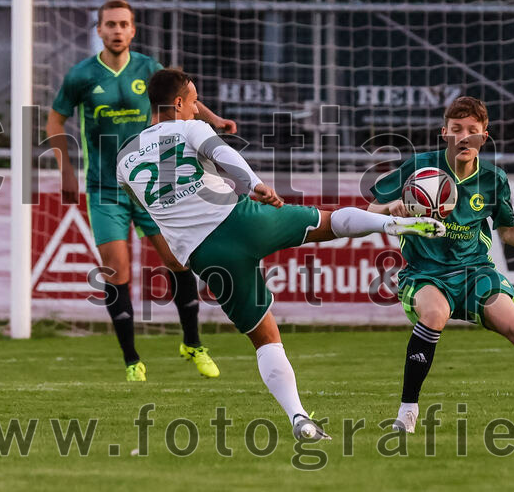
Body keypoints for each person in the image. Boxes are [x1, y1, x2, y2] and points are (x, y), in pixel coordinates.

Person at [116, 68, 445, 438]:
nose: (196, 111)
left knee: (265, 338)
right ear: (178, 104)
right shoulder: (191, 128)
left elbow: (145, 209)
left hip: (205, 255)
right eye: (193, 103)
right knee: (329, 222)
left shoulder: (124, 158)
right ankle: (386, 224)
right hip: (241, 219)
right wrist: (255, 185)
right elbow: (225, 154)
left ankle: (298, 417)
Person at [368, 96, 514, 435]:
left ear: (484, 136)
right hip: (425, 273)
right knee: (434, 315)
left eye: (473, 131)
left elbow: (508, 231)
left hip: (475, 271)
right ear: (444, 133)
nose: (464, 137)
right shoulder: (420, 167)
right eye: (457, 130)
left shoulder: (493, 178)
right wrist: (394, 208)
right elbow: (372, 209)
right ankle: (407, 412)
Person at [47, 0, 235, 381]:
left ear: (133, 30)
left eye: (124, 24)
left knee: (179, 261)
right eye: (110, 24)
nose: (117, 30)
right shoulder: (82, 75)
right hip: (104, 188)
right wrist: (64, 167)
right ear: (99, 30)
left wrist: (214, 119)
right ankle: (133, 361)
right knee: (116, 270)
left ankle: (193, 344)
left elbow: (185, 97)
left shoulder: (149, 69)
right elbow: (56, 117)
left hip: (152, 184)